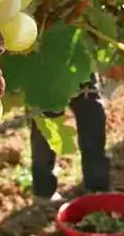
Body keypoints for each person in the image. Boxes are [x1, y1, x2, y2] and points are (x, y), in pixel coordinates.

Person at [29, 73, 111, 202]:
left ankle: (97, 189)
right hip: (46, 69)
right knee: (47, 121)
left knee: (92, 114)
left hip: (80, 69)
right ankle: (43, 191)